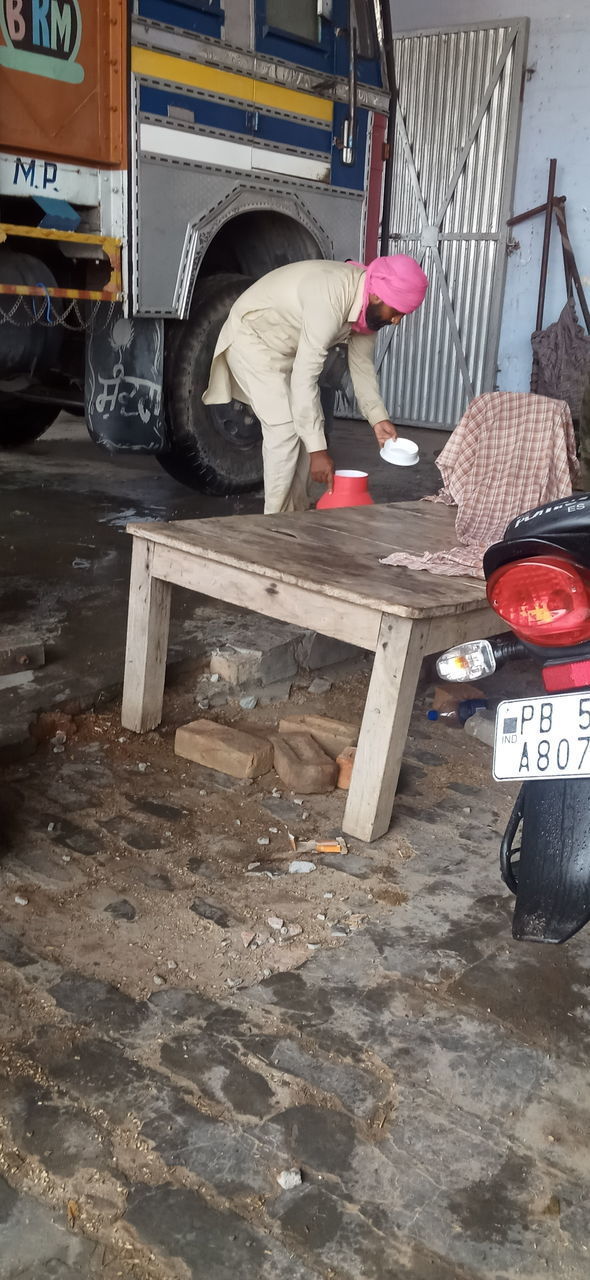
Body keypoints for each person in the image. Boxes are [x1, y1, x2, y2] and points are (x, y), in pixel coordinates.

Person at [203, 254, 428, 514]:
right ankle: (272, 523)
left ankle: (295, 517)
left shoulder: (368, 310)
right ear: (378, 296)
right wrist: (318, 451)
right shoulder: (331, 297)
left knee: (306, 426)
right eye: (397, 312)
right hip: (252, 338)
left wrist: (379, 419)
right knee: (285, 426)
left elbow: (362, 369)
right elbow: (305, 377)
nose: (396, 320)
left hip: (283, 350)